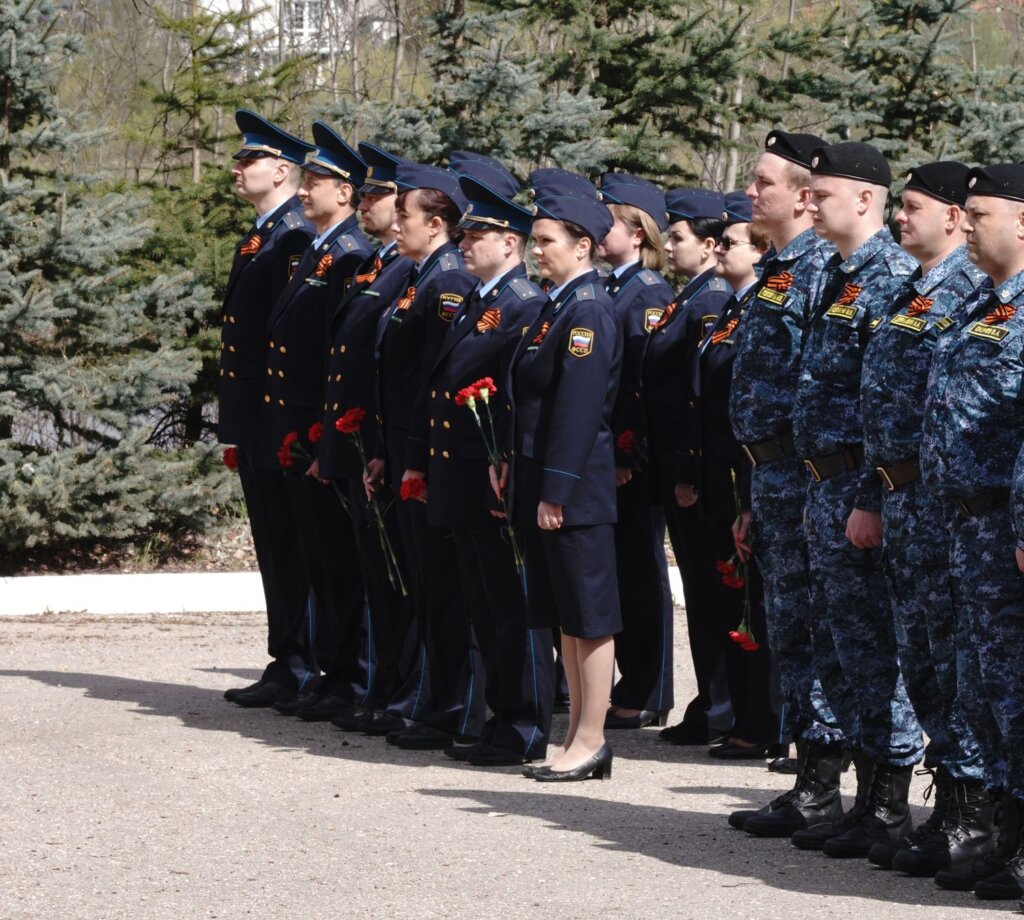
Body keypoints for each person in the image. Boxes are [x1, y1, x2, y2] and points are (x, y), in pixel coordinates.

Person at [791, 141, 923, 858]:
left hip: (858, 488)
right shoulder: (837, 275)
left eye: (821, 193)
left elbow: (894, 408)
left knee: (877, 646)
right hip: (821, 484)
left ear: (865, 199)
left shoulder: (893, 277)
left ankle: (890, 801)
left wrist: (871, 493)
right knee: (841, 645)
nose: (808, 204)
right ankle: (865, 794)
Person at [860, 162, 990, 875]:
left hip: (951, 509)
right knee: (927, 661)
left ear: (951, 217)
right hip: (906, 499)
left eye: (911, 207)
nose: (898, 218)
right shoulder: (911, 290)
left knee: (961, 663)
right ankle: (950, 811)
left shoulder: (972, 291)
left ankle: (971, 815)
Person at [727, 130, 848, 835]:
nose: (751, 192)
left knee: (822, 630)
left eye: (763, 182)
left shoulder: (818, 270)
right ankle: (812, 781)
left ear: (804, 196)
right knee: (791, 632)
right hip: (771, 474)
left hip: (808, 477)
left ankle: (831, 784)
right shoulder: (779, 268)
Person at [421, 166, 554, 767]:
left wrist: (504, 466)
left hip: (492, 478)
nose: (466, 243)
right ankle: (500, 717)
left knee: (513, 607)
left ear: (511, 244)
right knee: (485, 606)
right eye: (466, 233)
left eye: (479, 235)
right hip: (464, 476)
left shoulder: (523, 303)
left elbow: (517, 399)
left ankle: (526, 725)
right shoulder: (482, 300)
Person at [921, 163, 1024, 900]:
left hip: (1005, 526)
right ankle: (1004, 835)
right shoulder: (983, 306)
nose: (967, 223)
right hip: (965, 528)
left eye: (980, 212)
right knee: (985, 690)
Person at [255, 121, 374, 713]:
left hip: (318, 433)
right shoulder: (320, 250)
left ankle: (351, 676)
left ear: (346, 191)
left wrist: (323, 434)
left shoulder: (350, 255)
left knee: (339, 559)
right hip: (297, 433)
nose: (305, 191)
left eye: (317, 181)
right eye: (304, 181)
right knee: (319, 556)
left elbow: (339, 358)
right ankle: (331, 671)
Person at [368, 162, 484, 750]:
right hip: (412, 451)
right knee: (427, 585)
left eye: (406, 215)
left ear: (435, 224)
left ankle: (453, 702)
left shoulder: (448, 284)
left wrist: (417, 457)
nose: (396, 223)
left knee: (444, 589)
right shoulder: (423, 277)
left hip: (435, 456)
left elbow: (436, 387)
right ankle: (435, 699)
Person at [510, 180, 622, 782]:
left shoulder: (588, 310)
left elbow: (578, 411)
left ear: (582, 246)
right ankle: (578, 735)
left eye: (547, 241)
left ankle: (593, 738)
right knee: (566, 618)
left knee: (589, 616)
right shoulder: (561, 303)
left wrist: (554, 489)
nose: (536, 252)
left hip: (575, 488)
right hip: (553, 483)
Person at [315, 140, 418, 731]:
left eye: (383, 195)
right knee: (372, 575)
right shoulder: (374, 265)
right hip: (361, 446)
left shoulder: (410, 271)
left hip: (382, 445)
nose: (373, 204)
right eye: (374, 193)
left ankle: (395, 687)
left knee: (396, 579)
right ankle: (378, 684)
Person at [218, 109, 317, 708]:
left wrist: (284, 426)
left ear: (282, 171)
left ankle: (304, 659)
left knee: (294, 542)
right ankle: (288, 656)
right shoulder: (261, 236)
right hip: (257, 418)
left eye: (249, 159)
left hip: (280, 418)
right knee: (274, 543)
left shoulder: (293, 237)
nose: (237, 167)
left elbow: (293, 342)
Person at [695, 193, 779, 760]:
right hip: (727, 473)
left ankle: (764, 720)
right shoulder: (731, 307)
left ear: (761, 250)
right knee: (735, 600)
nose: (719, 249)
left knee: (760, 603)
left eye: (731, 243)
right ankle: (745, 714)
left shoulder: (757, 307)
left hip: (750, 472)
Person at [651, 188, 734, 747]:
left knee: (715, 592)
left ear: (709, 247)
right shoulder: (693, 297)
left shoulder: (711, 302)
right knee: (704, 597)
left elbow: (695, 398)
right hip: (679, 465)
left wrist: (685, 468)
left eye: (678, 237)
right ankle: (714, 700)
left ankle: (723, 703)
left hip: (701, 470)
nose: (670, 245)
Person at [596, 172, 676, 731]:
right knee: (622, 572)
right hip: (609, 460)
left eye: (611, 222)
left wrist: (630, 452)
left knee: (641, 576)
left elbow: (645, 386)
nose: (600, 231)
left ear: (639, 233)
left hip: (632, 464)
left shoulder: (648, 294)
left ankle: (649, 687)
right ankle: (634, 680)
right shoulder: (615, 288)